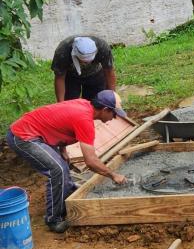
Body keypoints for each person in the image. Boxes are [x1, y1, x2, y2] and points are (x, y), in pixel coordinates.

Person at [7, 90, 128, 233]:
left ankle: (68, 195)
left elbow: (59, 123)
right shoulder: (84, 120)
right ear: (105, 109)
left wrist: (62, 148)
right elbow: (90, 161)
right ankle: (54, 220)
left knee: (62, 163)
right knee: (57, 169)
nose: (114, 118)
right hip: (23, 136)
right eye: (114, 114)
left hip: (36, 132)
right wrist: (113, 175)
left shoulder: (85, 105)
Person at [51, 35, 116, 102]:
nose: (86, 64)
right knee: (69, 103)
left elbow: (109, 72)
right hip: (71, 76)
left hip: (95, 74)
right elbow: (60, 78)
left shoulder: (102, 47)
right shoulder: (63, 51)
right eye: (83, 61)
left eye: (89, 61)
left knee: (96, 102)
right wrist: (61, 103)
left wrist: (112, 98)